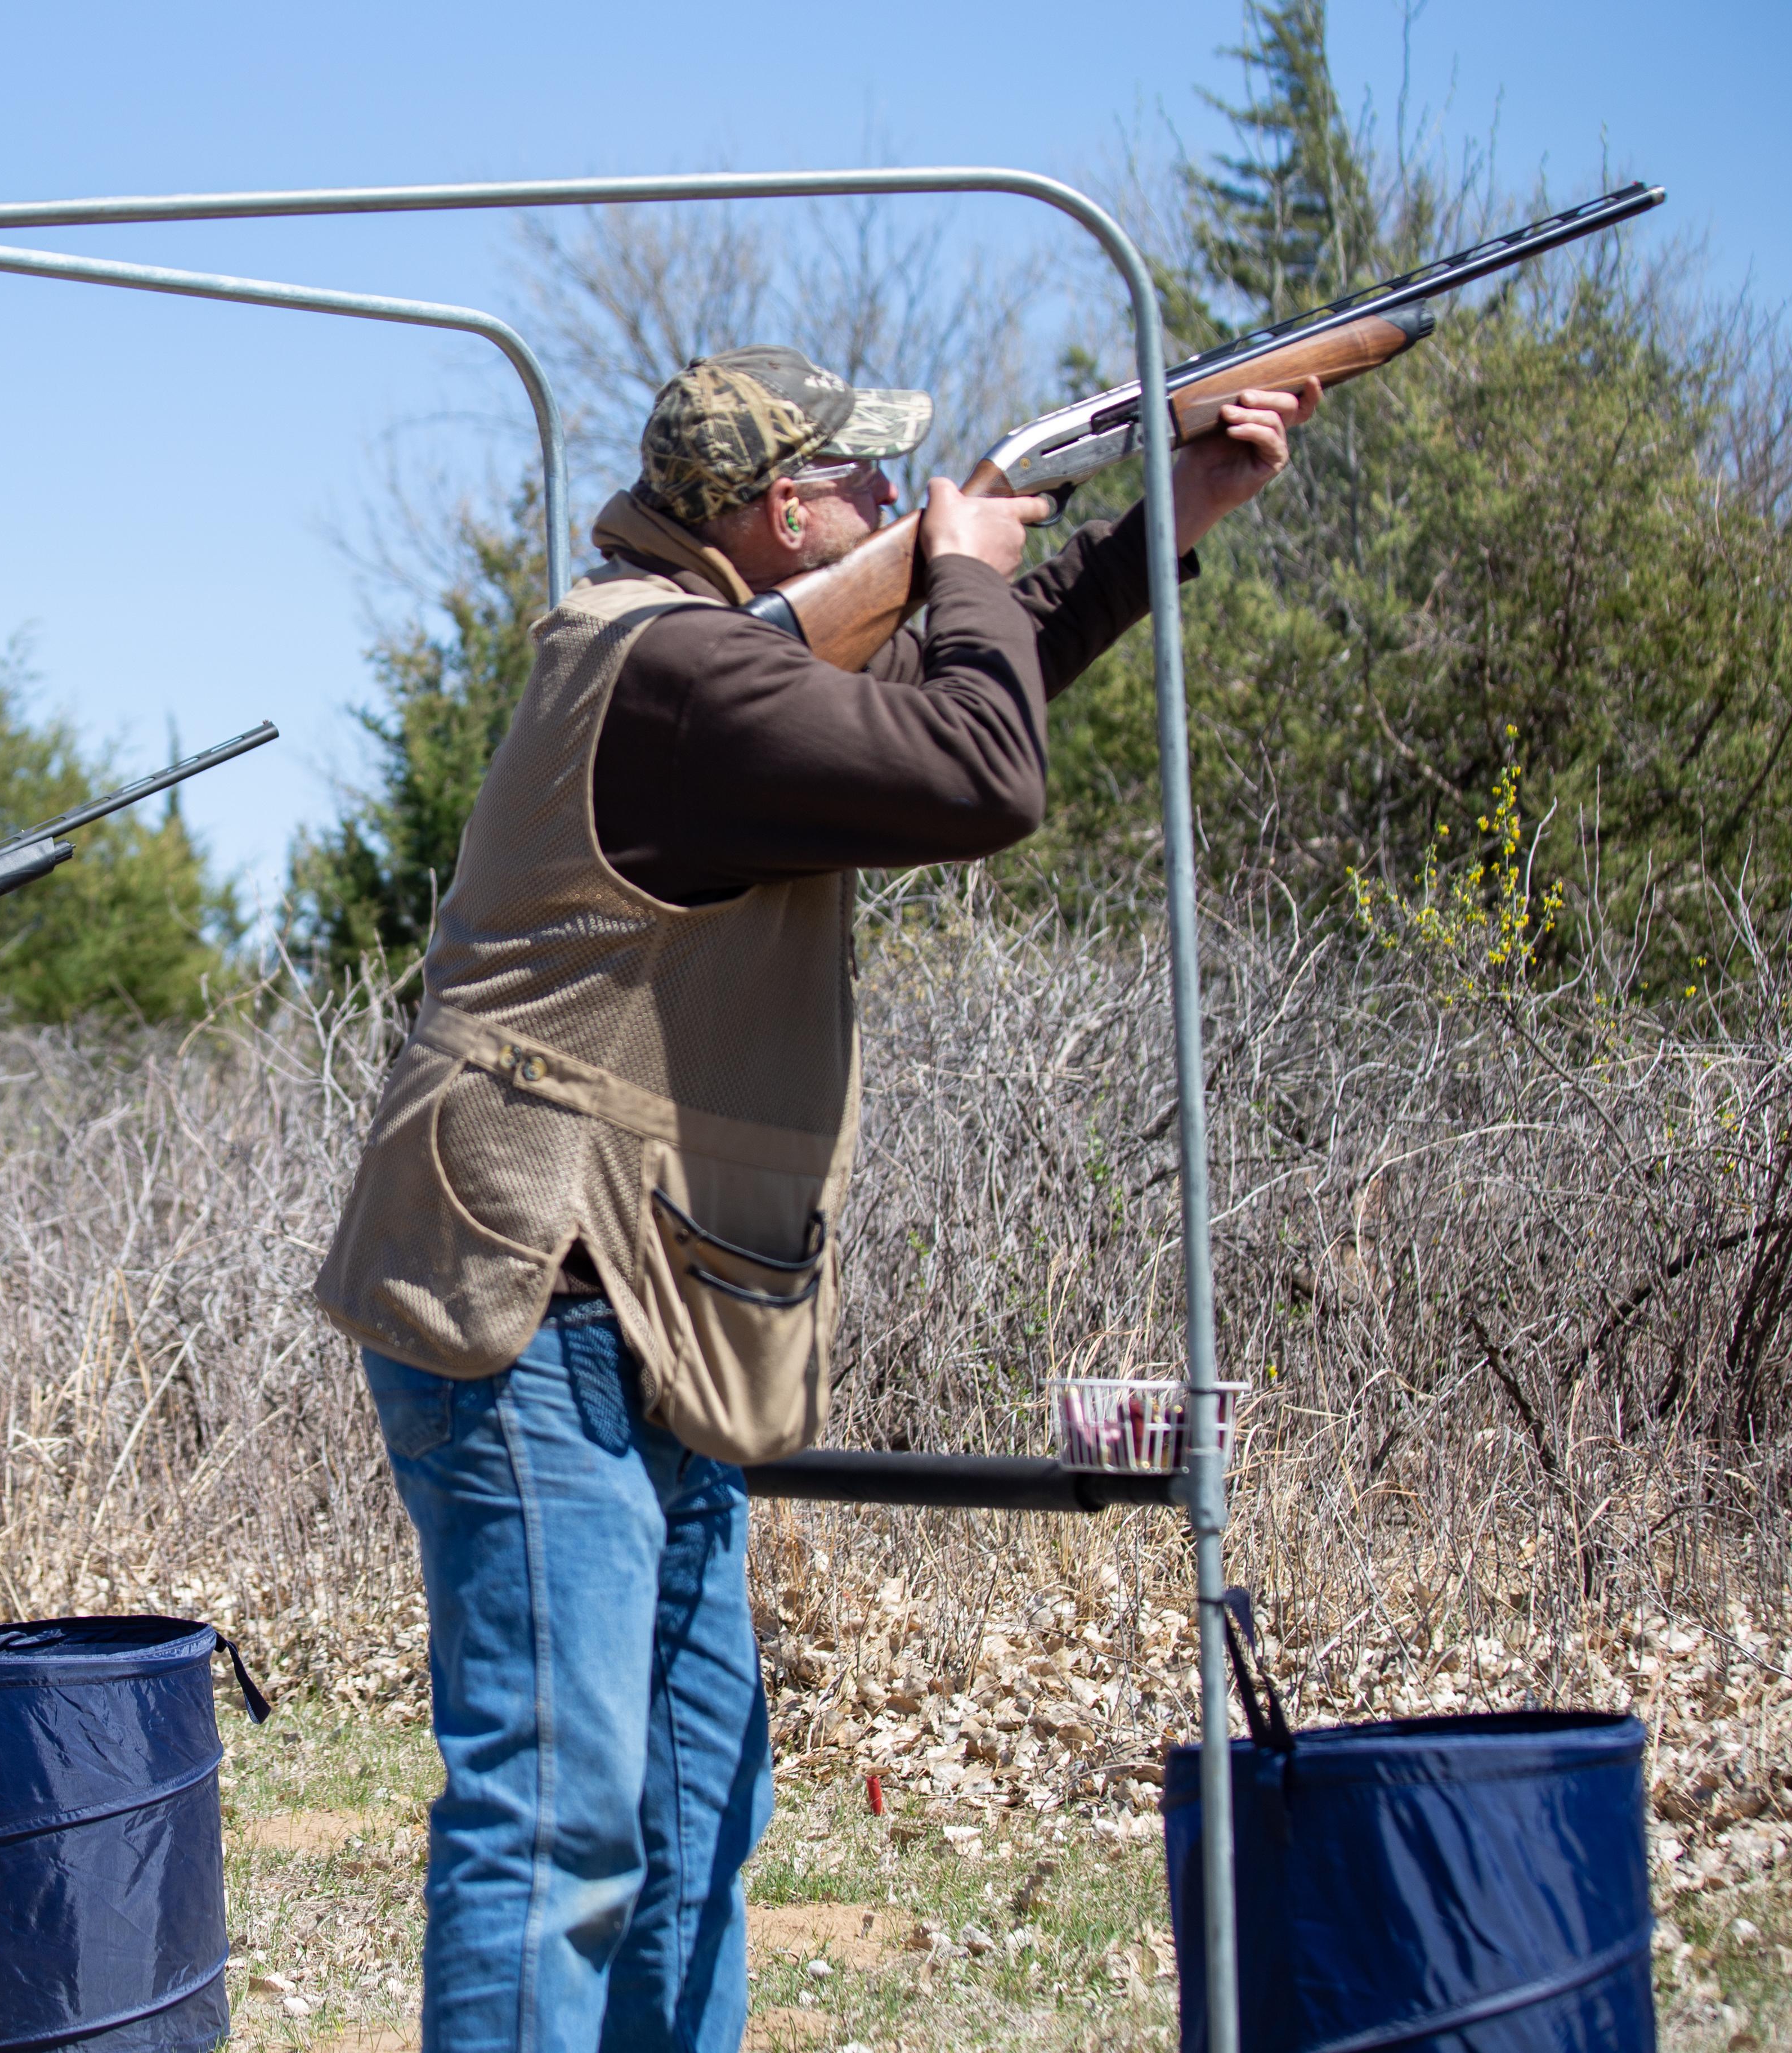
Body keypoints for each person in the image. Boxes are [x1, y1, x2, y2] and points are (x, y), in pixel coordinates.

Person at [313, 344, 1316, 2052]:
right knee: (558, 1814)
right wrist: (968, 570)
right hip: (532, 1296)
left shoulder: (715, 661)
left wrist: (1162, 524)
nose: (890, 509)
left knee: (701, 1808)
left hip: (653, 1301)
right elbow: (975, 771)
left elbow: (942, 706)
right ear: (785, 511)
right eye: (866, 489)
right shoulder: (674, 675)